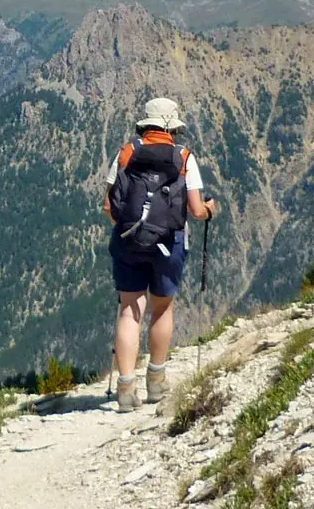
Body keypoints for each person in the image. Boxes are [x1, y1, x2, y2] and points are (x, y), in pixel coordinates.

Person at [103, 97, 216, 412]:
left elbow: (109, 206)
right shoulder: (184, 157)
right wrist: (210, 210)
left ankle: (126, 389)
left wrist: (130, 227)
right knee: (162, 308)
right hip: (169, 243)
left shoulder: (127, 152)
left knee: (129, 311)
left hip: (128, 241)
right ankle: (156, 381)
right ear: (172, 128)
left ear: (146, 125)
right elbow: (196, 210)